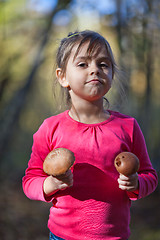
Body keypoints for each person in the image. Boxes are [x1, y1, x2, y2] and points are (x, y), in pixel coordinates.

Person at [22, 30, 158, 240]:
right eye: (83, 64)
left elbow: (150, 175)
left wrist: (137, 183)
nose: (95, 69)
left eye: (103, 64)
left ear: (112, 74)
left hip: (114, 236)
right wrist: (49, 185)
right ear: (63, 76)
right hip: (62, 236)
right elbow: (30, 180)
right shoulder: (50, 128)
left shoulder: (128, 126)